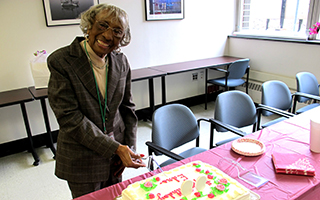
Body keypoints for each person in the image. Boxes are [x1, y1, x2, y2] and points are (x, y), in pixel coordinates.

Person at [47, 4, 146, 198]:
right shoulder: (61, 61)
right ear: (88, 26)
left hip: (117, 156)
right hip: (82, 159)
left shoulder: (121, 61)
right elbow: (70, 118)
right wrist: (116, 148)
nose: (108, 36)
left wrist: (129, 148)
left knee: (116, 197)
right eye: (102, 25)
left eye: (117, 31)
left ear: (123, 38)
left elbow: (128, 109)